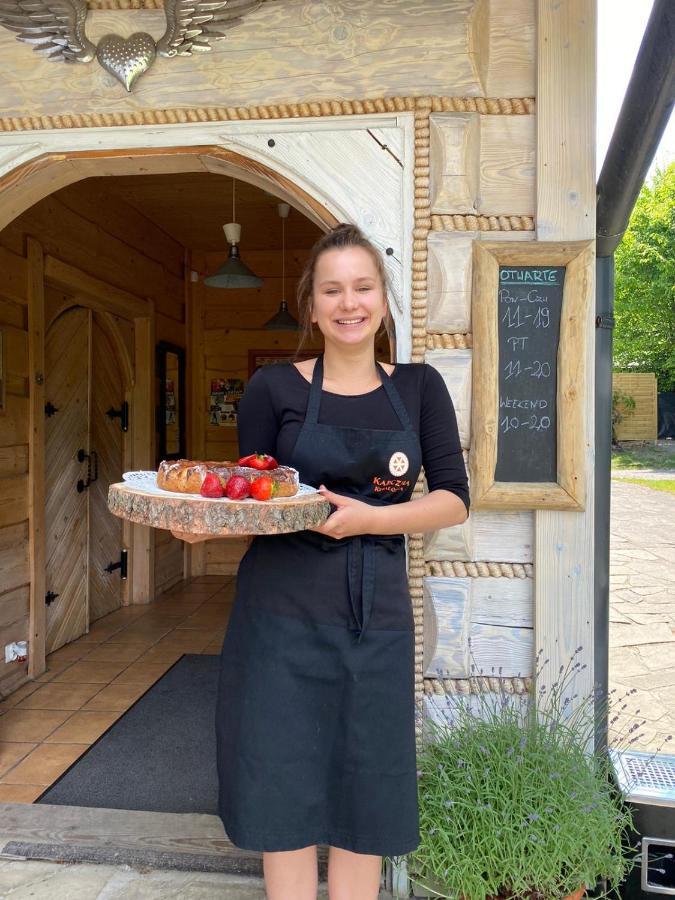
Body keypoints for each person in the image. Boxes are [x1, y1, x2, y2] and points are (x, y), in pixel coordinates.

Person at [173, 223, 470, 900]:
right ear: (310, 306)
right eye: (331, 290)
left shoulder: (420, 389)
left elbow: (453, 500)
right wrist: (206, 525)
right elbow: (256, 500)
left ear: (383, 300)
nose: (348, 303)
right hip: (279, 613)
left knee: (365, 787)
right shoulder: (271, 389)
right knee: (282, 781)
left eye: (362, 287)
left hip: (377, 617)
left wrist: (372, 519)